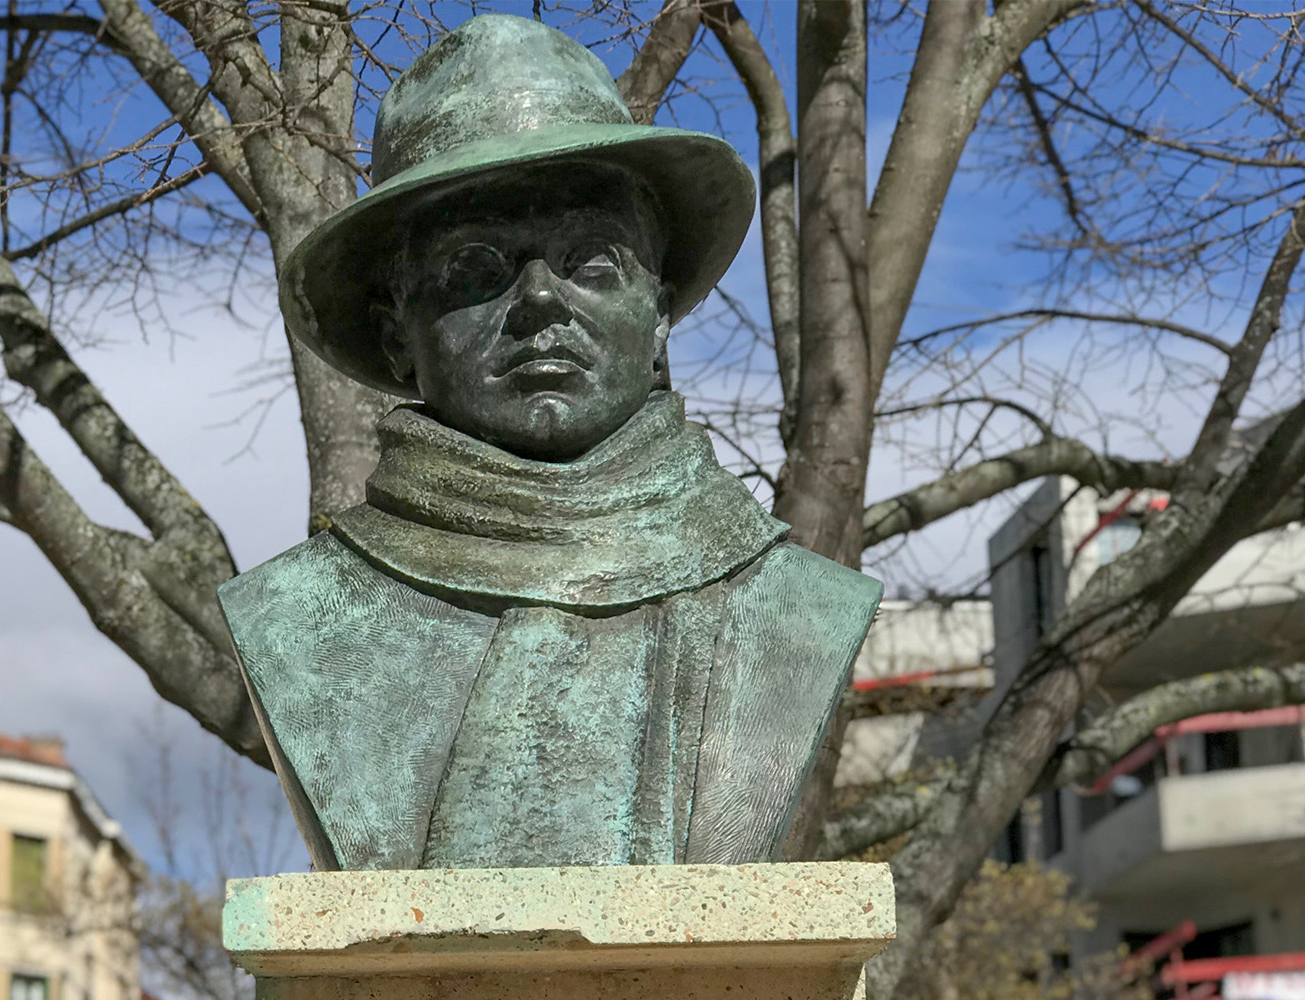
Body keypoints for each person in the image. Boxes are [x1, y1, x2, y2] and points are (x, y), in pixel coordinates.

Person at [218, 13, 882, 871]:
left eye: (593, 262)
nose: (539, 300)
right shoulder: (294, 619)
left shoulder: (796, 610)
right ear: (395, 337)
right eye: (476, 268)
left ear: (659, 320)